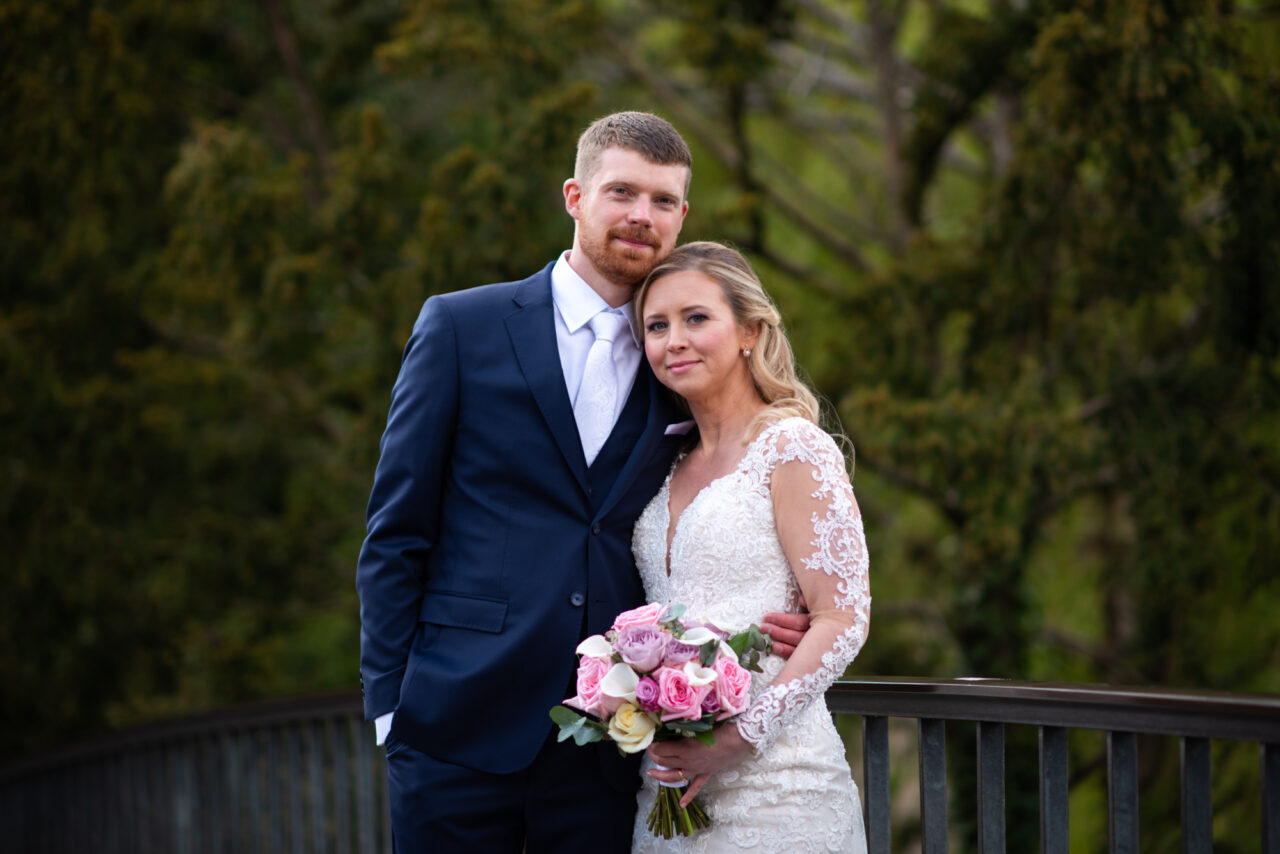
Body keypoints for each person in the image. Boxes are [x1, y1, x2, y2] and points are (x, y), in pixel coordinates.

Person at [355, 112, 809, 853]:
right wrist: (389, 708)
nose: (642, 216)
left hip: (608, 750)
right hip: (454, 727)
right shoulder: (462, 327)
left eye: (663, 201)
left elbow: (730, 488)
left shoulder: (681, 360)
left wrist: (769, 610)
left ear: (682, 216)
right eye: (622, 192)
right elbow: (396, 531)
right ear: (574, 196)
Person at [629, 241, 870, 853]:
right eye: (657, 326)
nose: (674, 339)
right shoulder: (665, 465)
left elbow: (843, 617)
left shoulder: (793, 446)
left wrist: (739, 739)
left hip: (777, 791)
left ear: (749, 331)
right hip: (667, 791)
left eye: (696, 318)